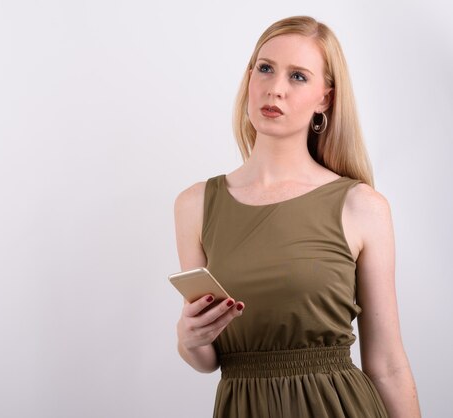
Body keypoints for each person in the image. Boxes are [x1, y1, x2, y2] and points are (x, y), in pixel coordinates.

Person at [173, 16, 421, 418]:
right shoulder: (194, 205)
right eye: (266, 68)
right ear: (249, 76)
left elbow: (388, 365)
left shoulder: (361, 206)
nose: (276, 89)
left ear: (326, 97)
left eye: (299, 77)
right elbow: (209, 359)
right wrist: (187, 337)